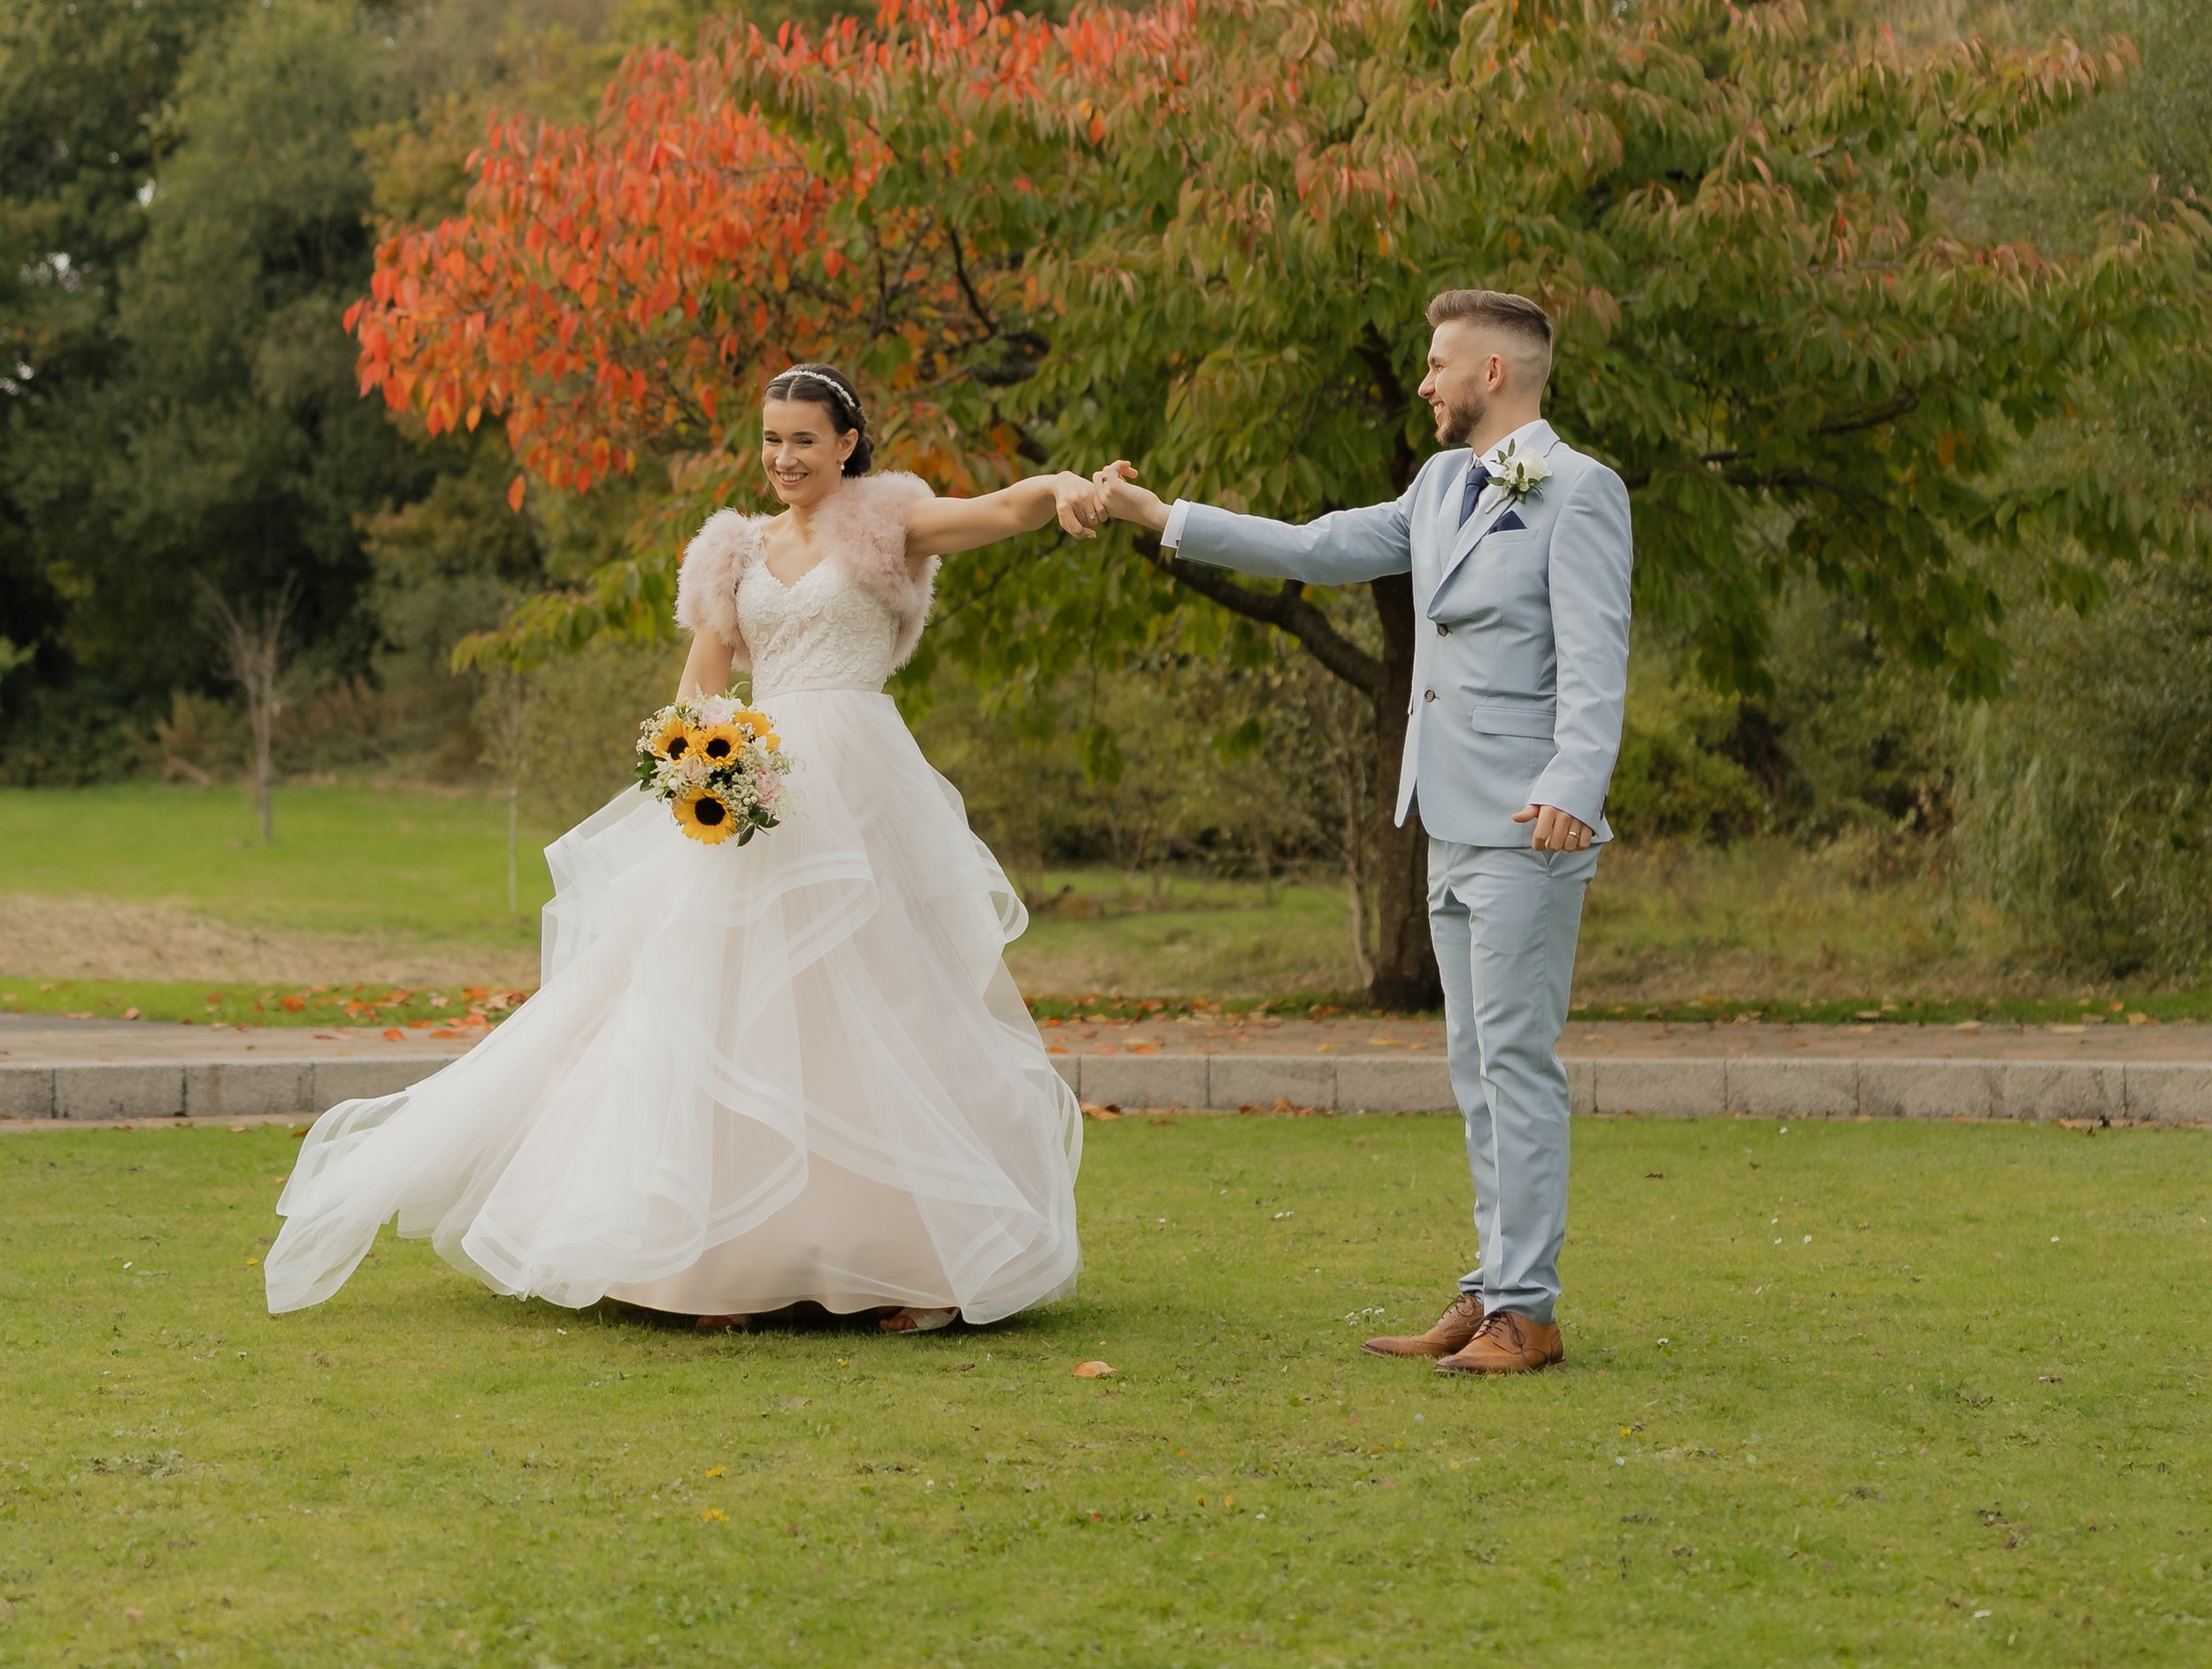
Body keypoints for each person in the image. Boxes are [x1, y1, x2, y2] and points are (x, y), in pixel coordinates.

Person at [266, 363, 1109, 1335]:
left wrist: (1059, 491)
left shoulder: (888, 521)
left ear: (846, 443)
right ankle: (721, 1265)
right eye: (772, 440)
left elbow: (999, 510)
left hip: (865, 786)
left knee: (888, 999)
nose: (785, 458)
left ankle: (918, 1262)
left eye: (804, 439)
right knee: (725, 1006)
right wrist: (694, 764)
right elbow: (704, 680)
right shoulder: (731, 551)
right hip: (758, 789)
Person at [1095, 290, 1633, 1373]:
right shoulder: (1438, 483)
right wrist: (1163, 518)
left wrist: (1576, 779)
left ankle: (1527, 1310)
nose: (1425, 383)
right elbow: (1318, 544)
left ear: (1494, 372)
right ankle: (1490, 1287)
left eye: (1439, 364)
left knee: (1516, 1063)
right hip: (1443, 815)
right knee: (1475, 1065)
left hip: (1532, 822)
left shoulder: (1580, 490)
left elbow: (1596, 652)